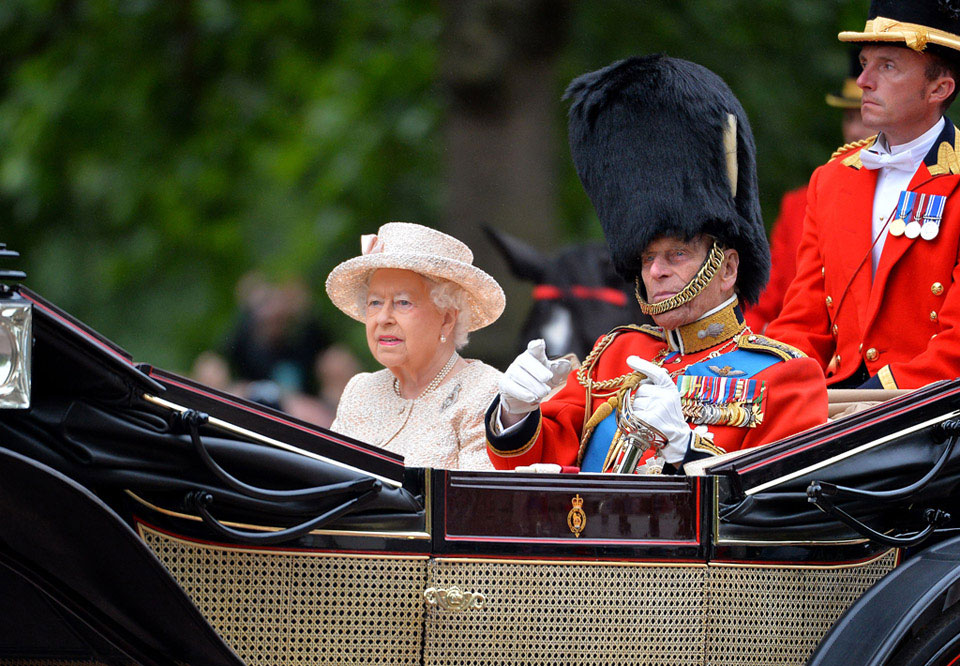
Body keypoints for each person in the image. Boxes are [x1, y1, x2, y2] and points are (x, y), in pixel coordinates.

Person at [485, 55, 828, 473]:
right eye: (647, 257)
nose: (655, 271)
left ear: (728, 268)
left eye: (676, 254)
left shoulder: (783, 376)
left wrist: (686, 452)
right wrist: (515, 414)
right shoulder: (614, 353)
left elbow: (775, 503)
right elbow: (542, 456)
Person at [766, 0, 960, 389]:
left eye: (886, 66)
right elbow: (802, 323)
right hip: (837, 404)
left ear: (939, 88)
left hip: (932, 413)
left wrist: (868, 403)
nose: (862, 81)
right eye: (865, 62)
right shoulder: (832, 179)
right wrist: (768, 387)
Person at [326, 222, 506, 470]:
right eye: (375, 302)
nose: (383, 318)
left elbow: (474, 504)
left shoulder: (485, 392)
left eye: (402, 302)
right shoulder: (360, 391)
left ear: (447, 318)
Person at [745, 50, 873, 332]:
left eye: (863, 117)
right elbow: (763, 302)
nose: (854, 131)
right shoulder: (797, 205)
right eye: (849, 118)